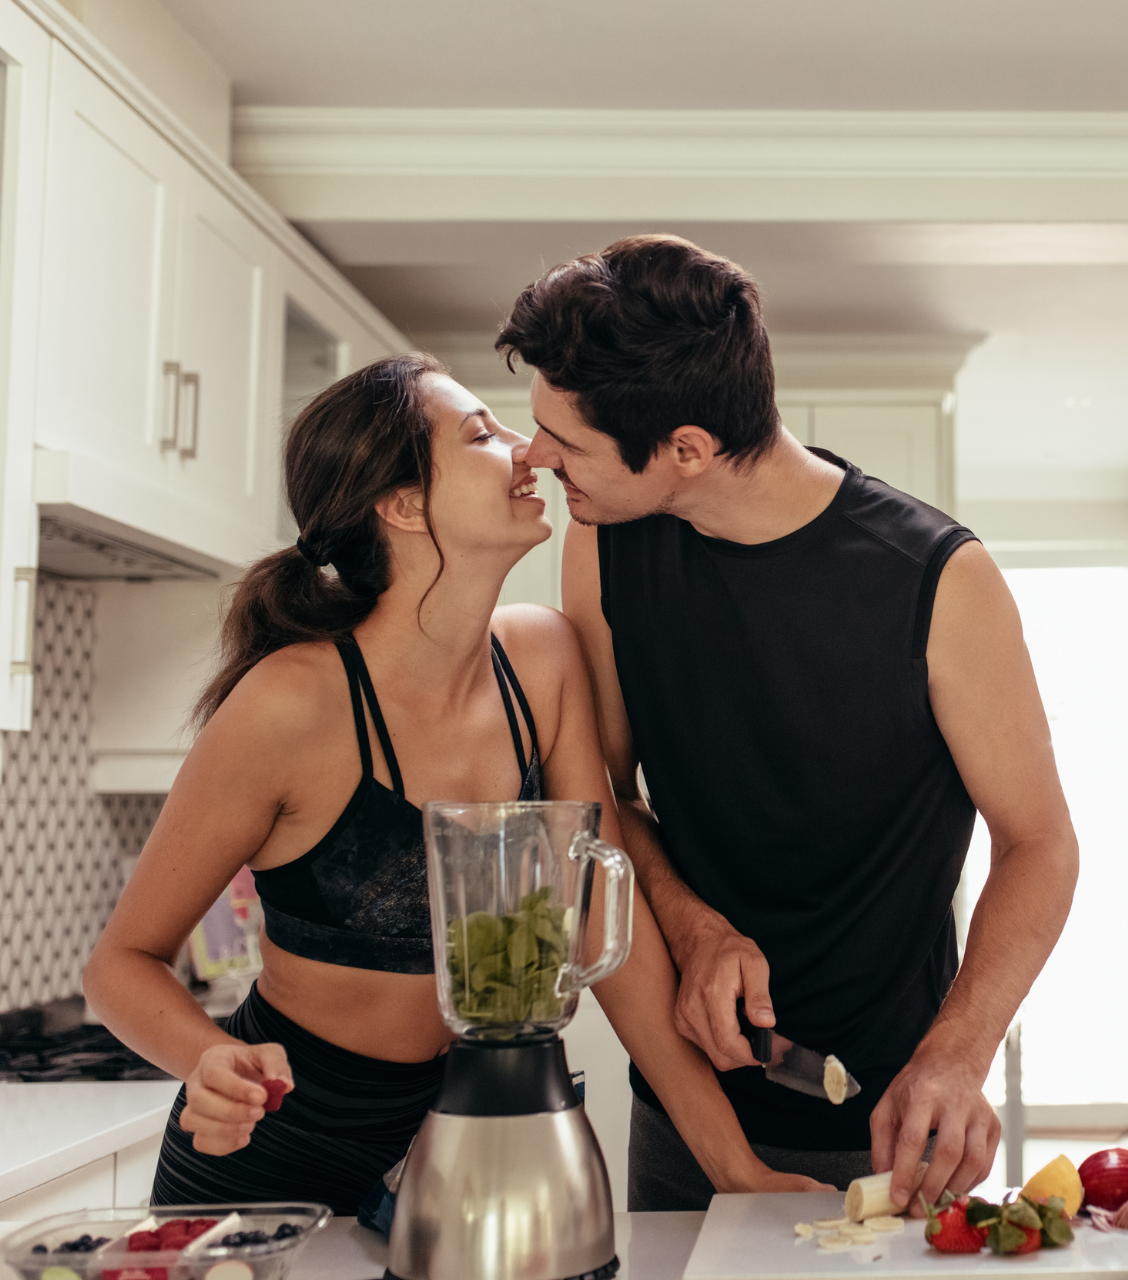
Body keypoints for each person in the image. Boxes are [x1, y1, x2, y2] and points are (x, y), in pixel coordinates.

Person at [83, 353, 824, 1215]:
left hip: (476, 1150)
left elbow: (601, 922)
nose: (529, 451)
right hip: (274, 1160)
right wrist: (207, 1057)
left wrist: (734, 1169)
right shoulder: (289, 705)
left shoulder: (543, 661)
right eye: (483, 433)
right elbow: (120, 965)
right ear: (400, 505)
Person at [496, 235, 1080, 1213]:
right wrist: (697, 924)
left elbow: (1041, 840)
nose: (535, 456)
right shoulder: (607, 542)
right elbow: (602, 800)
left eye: (568, 441)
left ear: (686, 448)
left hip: (898, 1123)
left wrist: (957, 1054)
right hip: (688, 1114)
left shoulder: (937, 578)